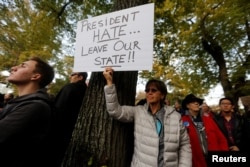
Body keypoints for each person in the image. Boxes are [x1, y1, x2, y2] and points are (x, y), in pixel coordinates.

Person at [103, 67, 191, 167]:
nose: (149, 92)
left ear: (162, 95)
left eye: (154, 90)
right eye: (147, 90)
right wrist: (109, 82)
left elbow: (185, 144)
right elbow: (115, 111)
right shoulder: (138, 111)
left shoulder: (176, 117)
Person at [0, 57, 54, 167]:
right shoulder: (23, 102)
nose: (13, 68)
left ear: (35, 76)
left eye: (23, 66)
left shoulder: (35, 106)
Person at [181, 94, 228, 167]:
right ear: (187, 106)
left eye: (198, 102)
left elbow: (221, 138)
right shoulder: (182, 121)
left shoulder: (209, 119)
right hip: (195, 160)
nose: (196, 103)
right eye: (193, 102)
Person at [52, 71, 88, 166]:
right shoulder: (87, 91)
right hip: (74, 129)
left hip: (59, 129)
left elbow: (59, 107)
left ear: (80, 77)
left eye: (72, 75)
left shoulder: (69, 88)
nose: (70, 77)